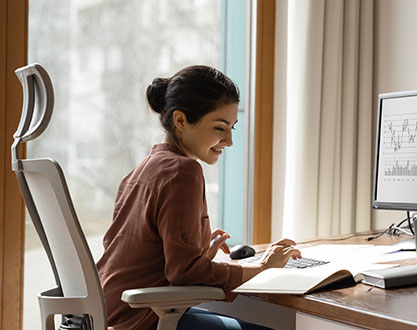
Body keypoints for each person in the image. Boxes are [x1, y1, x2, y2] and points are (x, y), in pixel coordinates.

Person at [96, 65, 301, 330]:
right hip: (142, 321)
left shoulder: (141, 170)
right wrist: (262, 268)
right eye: (219, 128)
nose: (229, 141)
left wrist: (198, 250)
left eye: (232, 128)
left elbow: (141, 253)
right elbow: (184, 273)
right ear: (181, 121)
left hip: (109, 315)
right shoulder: (184, 171)